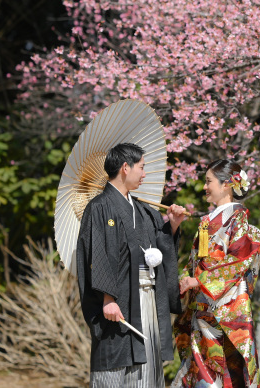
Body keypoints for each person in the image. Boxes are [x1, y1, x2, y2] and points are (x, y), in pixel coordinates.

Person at [77, 142, 189, 388]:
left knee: (147, 365)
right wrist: (108, 298)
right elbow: (98, 255)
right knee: (116, 359)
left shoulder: (142, 209)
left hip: (146, 298)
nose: (145, 173)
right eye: (142, 167)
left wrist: (172, 225)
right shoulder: (99, 207)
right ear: (125, 168)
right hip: (119, 299)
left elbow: (156, 247)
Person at [172, 159, 260, 388]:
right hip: (202, 308)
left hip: (224, 310)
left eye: (208, 181)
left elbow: (238, 260)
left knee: (223, 373)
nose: (204, 187)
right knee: (201, 372)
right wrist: (185, 279)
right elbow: (196, 262)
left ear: (226, 185)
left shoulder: (238, 219)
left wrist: (199, 279)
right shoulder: (207, 221)